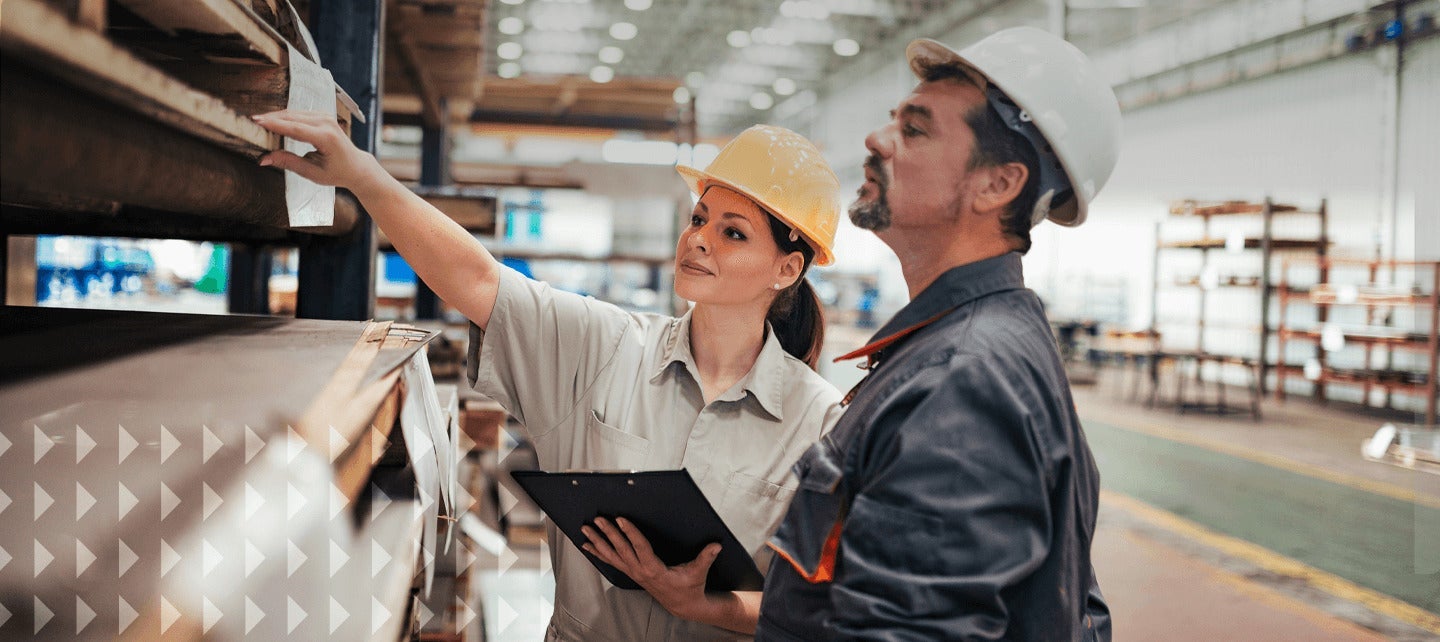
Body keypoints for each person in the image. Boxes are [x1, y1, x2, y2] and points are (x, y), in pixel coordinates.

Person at [250, 117, 845, 640]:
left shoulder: (819, 421)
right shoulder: (605, 347)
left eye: (732, 232)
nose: (698, 239)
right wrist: (363, 175)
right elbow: (480, 281)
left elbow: (825, 606)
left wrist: (707, 606)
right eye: (699, 218)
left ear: (786, 268)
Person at [755, 27, 1121, 641]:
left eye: (915, 129)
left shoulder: (964, 379)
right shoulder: (976, 344)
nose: (876, 139)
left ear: (997, 184)